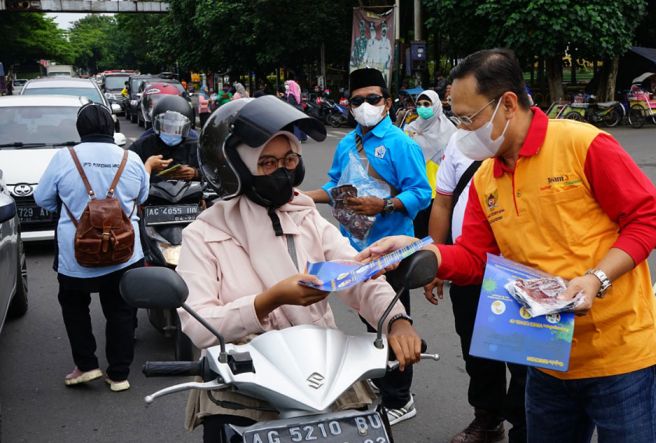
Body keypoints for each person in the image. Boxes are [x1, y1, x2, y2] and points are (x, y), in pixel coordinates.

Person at [359, 48, 656, 442]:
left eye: (468, 118)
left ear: (507, 103)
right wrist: (419, 249)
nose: (461, 131)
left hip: (621, 357)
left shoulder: (582, 144)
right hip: (544, 358)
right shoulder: (486, 177)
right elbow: (475, 258)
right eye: (456, 119)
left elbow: (651, 218)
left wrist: (596, 277)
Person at [176, 96, 422, 442]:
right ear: (236, 167)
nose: (283, 171)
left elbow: (354, 275)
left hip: (317, 372)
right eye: (267, 162)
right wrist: (268, 300)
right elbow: (198, 326)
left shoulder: (305, 215)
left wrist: (396, 319)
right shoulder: (204, 233)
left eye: (289, 159)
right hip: (242, 383)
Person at [306, 68, 431, 426]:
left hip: (392, 252)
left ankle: (399, 398)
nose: (365, 106)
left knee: (393, 320)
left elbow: (422, 193)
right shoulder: (347, 144)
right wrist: (299, 197)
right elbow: (335, 187)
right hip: (354, 249)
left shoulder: (400, 144)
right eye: (357, 100)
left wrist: (385, 205)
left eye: (373, 99)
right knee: (370, 318)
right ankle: (385, 380)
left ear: (387, 102)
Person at [33, 102, 149, 392]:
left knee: (74, 306)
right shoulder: (131, 158)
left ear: (80, 129)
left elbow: (42, 198)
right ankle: (119, 375)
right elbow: (142, 196)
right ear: (112, 128)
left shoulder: (64, 157)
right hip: (124, 253)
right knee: (121, 310)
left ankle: (86, 366)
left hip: (76, 254)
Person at [425, 132, 526, 443]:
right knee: (477, 349)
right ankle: (488, 418)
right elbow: (442, 202)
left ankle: (524, 427)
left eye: (470, 111)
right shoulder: (457, 141)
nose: (464, 121)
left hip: (519, 271)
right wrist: (437, 258)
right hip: (468, 266)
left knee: (525, 358)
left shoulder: (536, 142)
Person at [404, 89, 456, 238]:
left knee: (433, 237)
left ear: (436, 105)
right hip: (414, 189)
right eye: (419, 104)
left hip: (438, 192)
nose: (422, 108)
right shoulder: (410, 129)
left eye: (427, 104)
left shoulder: (449, 131)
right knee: (414, 237)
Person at [129, 95, 200, 182]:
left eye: (176, 129)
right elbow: (126, 172)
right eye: (167, 127)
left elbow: (214, 172)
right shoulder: (142, 146)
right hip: (152, 194)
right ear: (157, 125)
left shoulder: (196, 148)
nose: (171, 132)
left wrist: (195, 173)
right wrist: (148, 167)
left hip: (189, 194)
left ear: (186, 128)